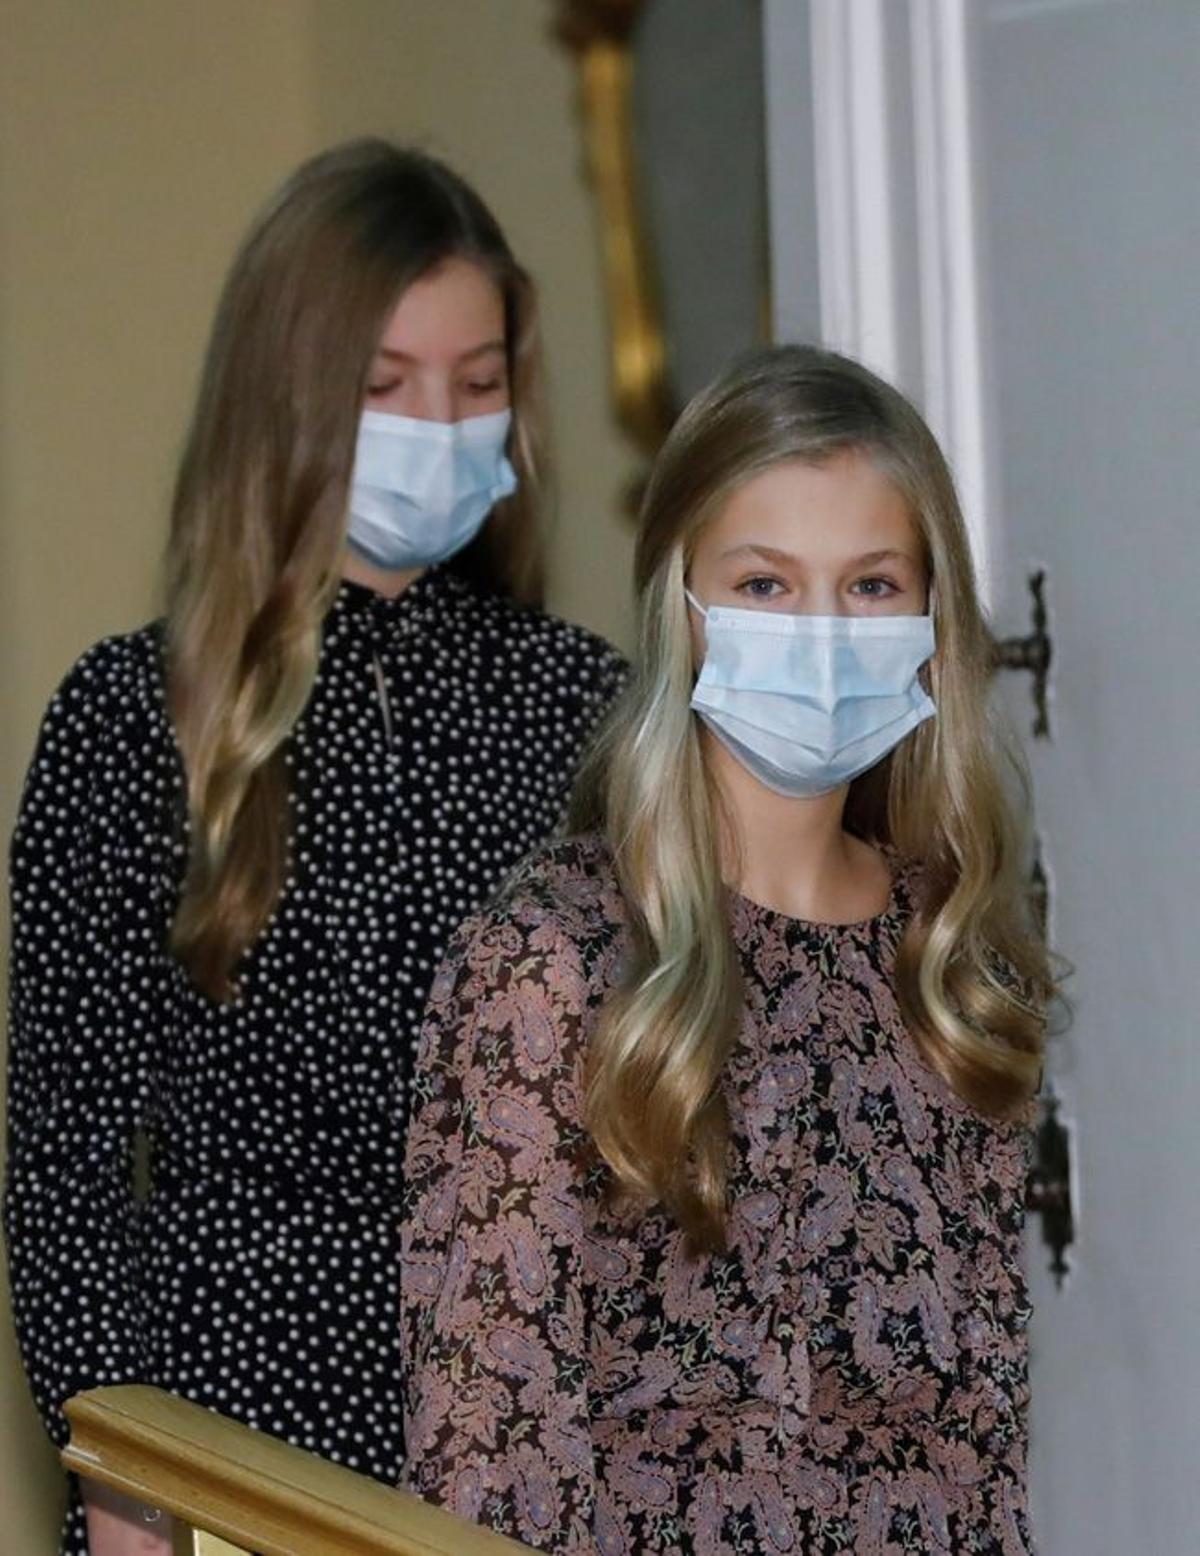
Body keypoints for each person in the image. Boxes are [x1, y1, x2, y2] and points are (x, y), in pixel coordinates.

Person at [4, 140, 626, 1556]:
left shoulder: (587, 705)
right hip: (234, 1450)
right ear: (287, 392)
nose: (442, 424)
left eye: (479, 385)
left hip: (535, 1436)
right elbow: (67, 1165)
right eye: (386, 386)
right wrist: (122, 1479)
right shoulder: (130, 719)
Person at [400, 344, 1055, 1553]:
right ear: (684, 605)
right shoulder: (553, 963)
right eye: (765, 583)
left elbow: (984, 1445)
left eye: (868, 586)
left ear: (929, 620)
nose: (818, 631)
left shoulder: (956, 969)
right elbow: (488, 1458)